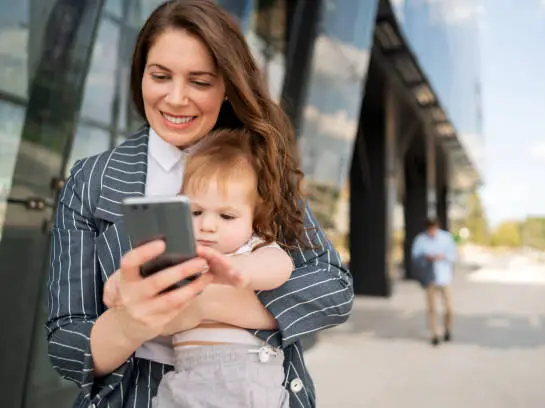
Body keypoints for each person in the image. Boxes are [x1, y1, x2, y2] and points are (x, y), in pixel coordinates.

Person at [45, 1, 353, 407]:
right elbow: (67, 344)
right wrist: (134, 321)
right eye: (160, 76)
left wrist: (199, 305)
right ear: (141, 75)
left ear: (227, 85)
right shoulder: (90, 181)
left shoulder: (258, 167)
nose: (175, 98)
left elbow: (332, 290)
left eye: (200, 81)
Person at [104, 128, 296, 407]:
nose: (207, 225)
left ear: (255, 220)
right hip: (185, 376)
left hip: (244, 375)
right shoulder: (178, 254)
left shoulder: (251, 247)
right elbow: (144, 278)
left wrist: (237, 269)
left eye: (227, 216)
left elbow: (281, 266)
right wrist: (119, 282)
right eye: (195, 212)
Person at [411, 217, 456, 346]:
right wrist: (426, 257)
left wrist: (443, 256)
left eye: (434, 229)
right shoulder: (421, 240)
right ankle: (434, 334)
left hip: (444, 277)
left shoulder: (446, 238)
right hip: (430, 278)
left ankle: (447, 329)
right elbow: (415, 256)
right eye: (430, 230)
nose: (432, 232)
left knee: (449, 308)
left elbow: (453, 255)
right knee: (432, 308)